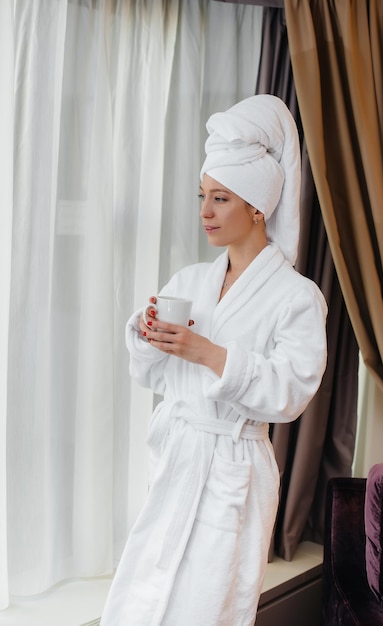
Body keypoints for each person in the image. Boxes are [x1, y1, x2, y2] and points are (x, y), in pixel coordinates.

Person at [100, 94, 327, 626]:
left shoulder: (297, 297)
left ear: (257, 206)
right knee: (146, 595)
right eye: (202, 196)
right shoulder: (191, 281)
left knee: (209, 604)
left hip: (234, 466)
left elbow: (291, 393)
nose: (205, 211)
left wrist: (209, 353)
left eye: (221, 199)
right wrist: (145, 333)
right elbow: (151, 374)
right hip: (178, 453)